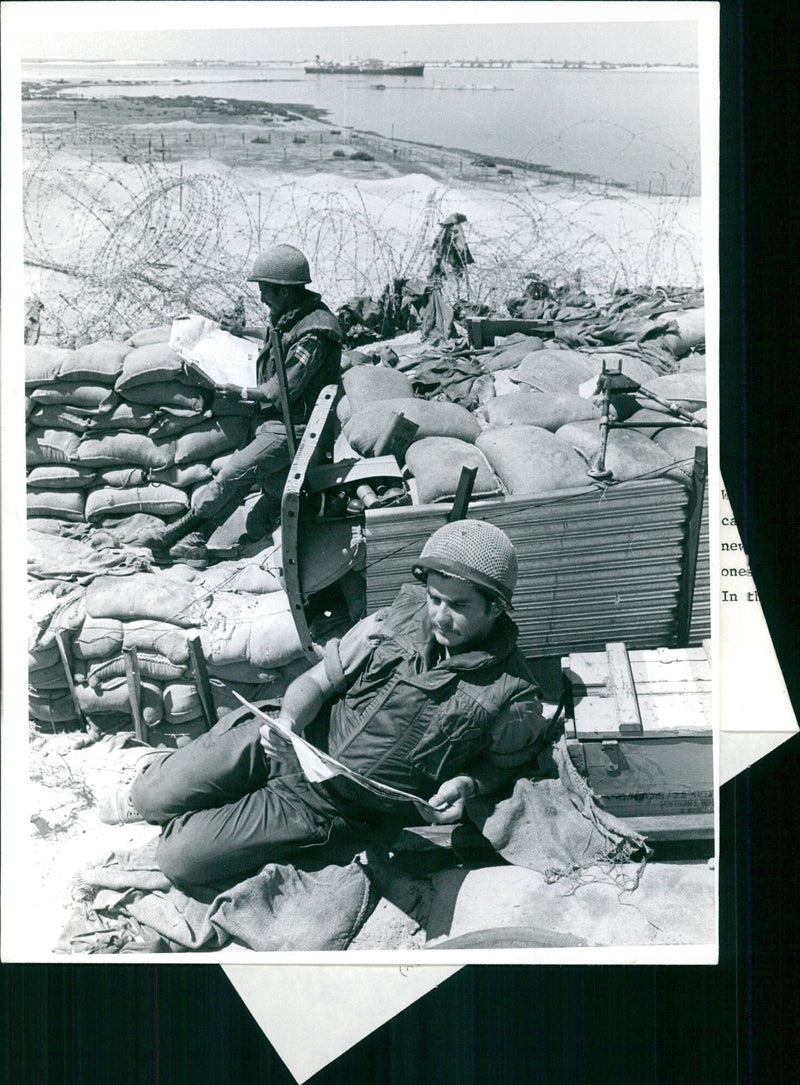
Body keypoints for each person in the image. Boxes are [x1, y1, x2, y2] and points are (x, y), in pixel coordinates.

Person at [102, 520, 551, 894]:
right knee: (148, 797)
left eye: (458, 605)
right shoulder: (393, 619)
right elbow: (317, 680)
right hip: (295, 739)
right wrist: (287, 721)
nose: (438, 616)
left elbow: (505, 767)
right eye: (434, 599)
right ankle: (169, 779)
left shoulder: (512, 694)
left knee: (179, 858)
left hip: (328, 807)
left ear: (496, 609)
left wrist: (467, 784)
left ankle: (210, 810)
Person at [143, 244, 343, 551]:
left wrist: (239, 393)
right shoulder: (295, 317)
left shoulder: (315, 334)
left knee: (234, 473)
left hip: (297, 430)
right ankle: (196, 541)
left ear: (285, 292)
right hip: (277, 424)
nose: (262, 298)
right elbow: (276, 339)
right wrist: (241, 330)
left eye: (266, 291)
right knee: (241, 479)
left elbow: (280, 391)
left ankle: (176, 533)